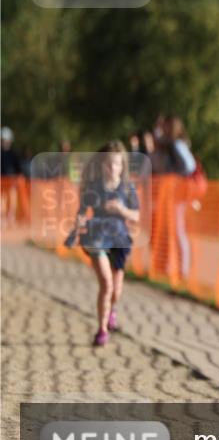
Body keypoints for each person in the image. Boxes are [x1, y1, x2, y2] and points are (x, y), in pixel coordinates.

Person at [72, 142, 140, 346]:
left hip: (119, 239)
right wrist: (80, 222)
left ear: (122, 166)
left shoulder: (128, 187)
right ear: (102, 165)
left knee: (116, 291)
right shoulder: (93, 187)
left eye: (116, 165)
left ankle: (112, 311)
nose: (112, 169)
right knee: (106, 284)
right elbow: (81, 213)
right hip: (97, 238)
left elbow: (136, 215)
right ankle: (102, 330)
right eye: (109, 164)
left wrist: (120, 209)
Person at [151, 115, 197, 278]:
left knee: (177, 230)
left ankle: (182, 271)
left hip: (177, 194)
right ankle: (164, 266)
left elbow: (189, 166)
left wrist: (173, 176)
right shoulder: (166, 145)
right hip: (167, 194)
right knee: (164, 230)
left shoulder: (177, 145)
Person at [1, 127, 24, 225]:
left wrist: (20, 175)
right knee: (2, 199)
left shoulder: (13, 153)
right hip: (1, 181)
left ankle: (11, 218)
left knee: (12, 199)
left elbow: (18, 166)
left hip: (11, 181)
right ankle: (2, 219)